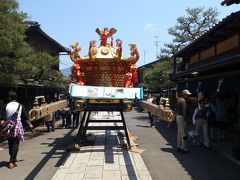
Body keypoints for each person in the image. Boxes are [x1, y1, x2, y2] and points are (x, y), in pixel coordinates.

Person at [0, 90, 33, 169]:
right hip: (17, 126)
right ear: (16, 97)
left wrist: (2, 129)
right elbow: (25, 117)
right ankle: (12, 161)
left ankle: (12, 156)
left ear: (9, 97)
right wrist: (30, 124)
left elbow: (2, 119)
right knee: (15, 143)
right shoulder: (21, 106)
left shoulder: (5, 106)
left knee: (10, 142)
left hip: (8, 126)